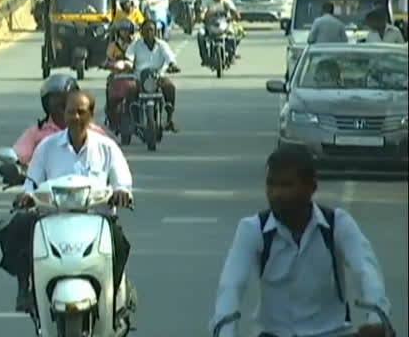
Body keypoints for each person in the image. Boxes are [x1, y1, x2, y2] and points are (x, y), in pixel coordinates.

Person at [210, 147, 390, 337]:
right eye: (271, 184)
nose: (276, 193)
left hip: (331, 332)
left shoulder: (337, 224)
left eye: (286, 185)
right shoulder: (252, 229)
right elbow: (231, 284)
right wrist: (225, 331)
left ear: (311, 188)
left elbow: (366, 270)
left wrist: (376, 318)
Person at [18, 91, 134, 304]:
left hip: (99, 220)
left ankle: (116, 298)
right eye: (71, 112)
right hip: (53, 220)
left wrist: (121, 193)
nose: (76, 117)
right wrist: (26, 195)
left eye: (81, 112)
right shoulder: (47, 147)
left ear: (90, 114)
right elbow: (32, 181)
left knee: (121, 246)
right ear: (64, 114)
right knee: (21, 234)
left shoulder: (107, 147)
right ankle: (28, 292)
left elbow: (123, 181)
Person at [123, 19, 178, 131]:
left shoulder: (162, 45)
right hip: (139, 78)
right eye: (146, 30)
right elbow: (129, 57)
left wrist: (172, 65)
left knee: (170, 87)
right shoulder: (135, 45)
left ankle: (169, 118)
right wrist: (127, 65)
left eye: (151, 30)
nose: (149, 33)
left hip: (158, 77)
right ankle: (132, 117)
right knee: (130, 89)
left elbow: (169, 57)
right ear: (141, 32)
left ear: (156, 32)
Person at [197, 0, 241, 66]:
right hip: (210, 25)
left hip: (224, 25)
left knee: (233, 34)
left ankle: (232, 55)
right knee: (200, 34)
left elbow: (236, 14)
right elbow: (202, 12)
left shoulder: (227, 2)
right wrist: (203, 16)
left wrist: (234, 14)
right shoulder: (208, 2)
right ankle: (205, 58)